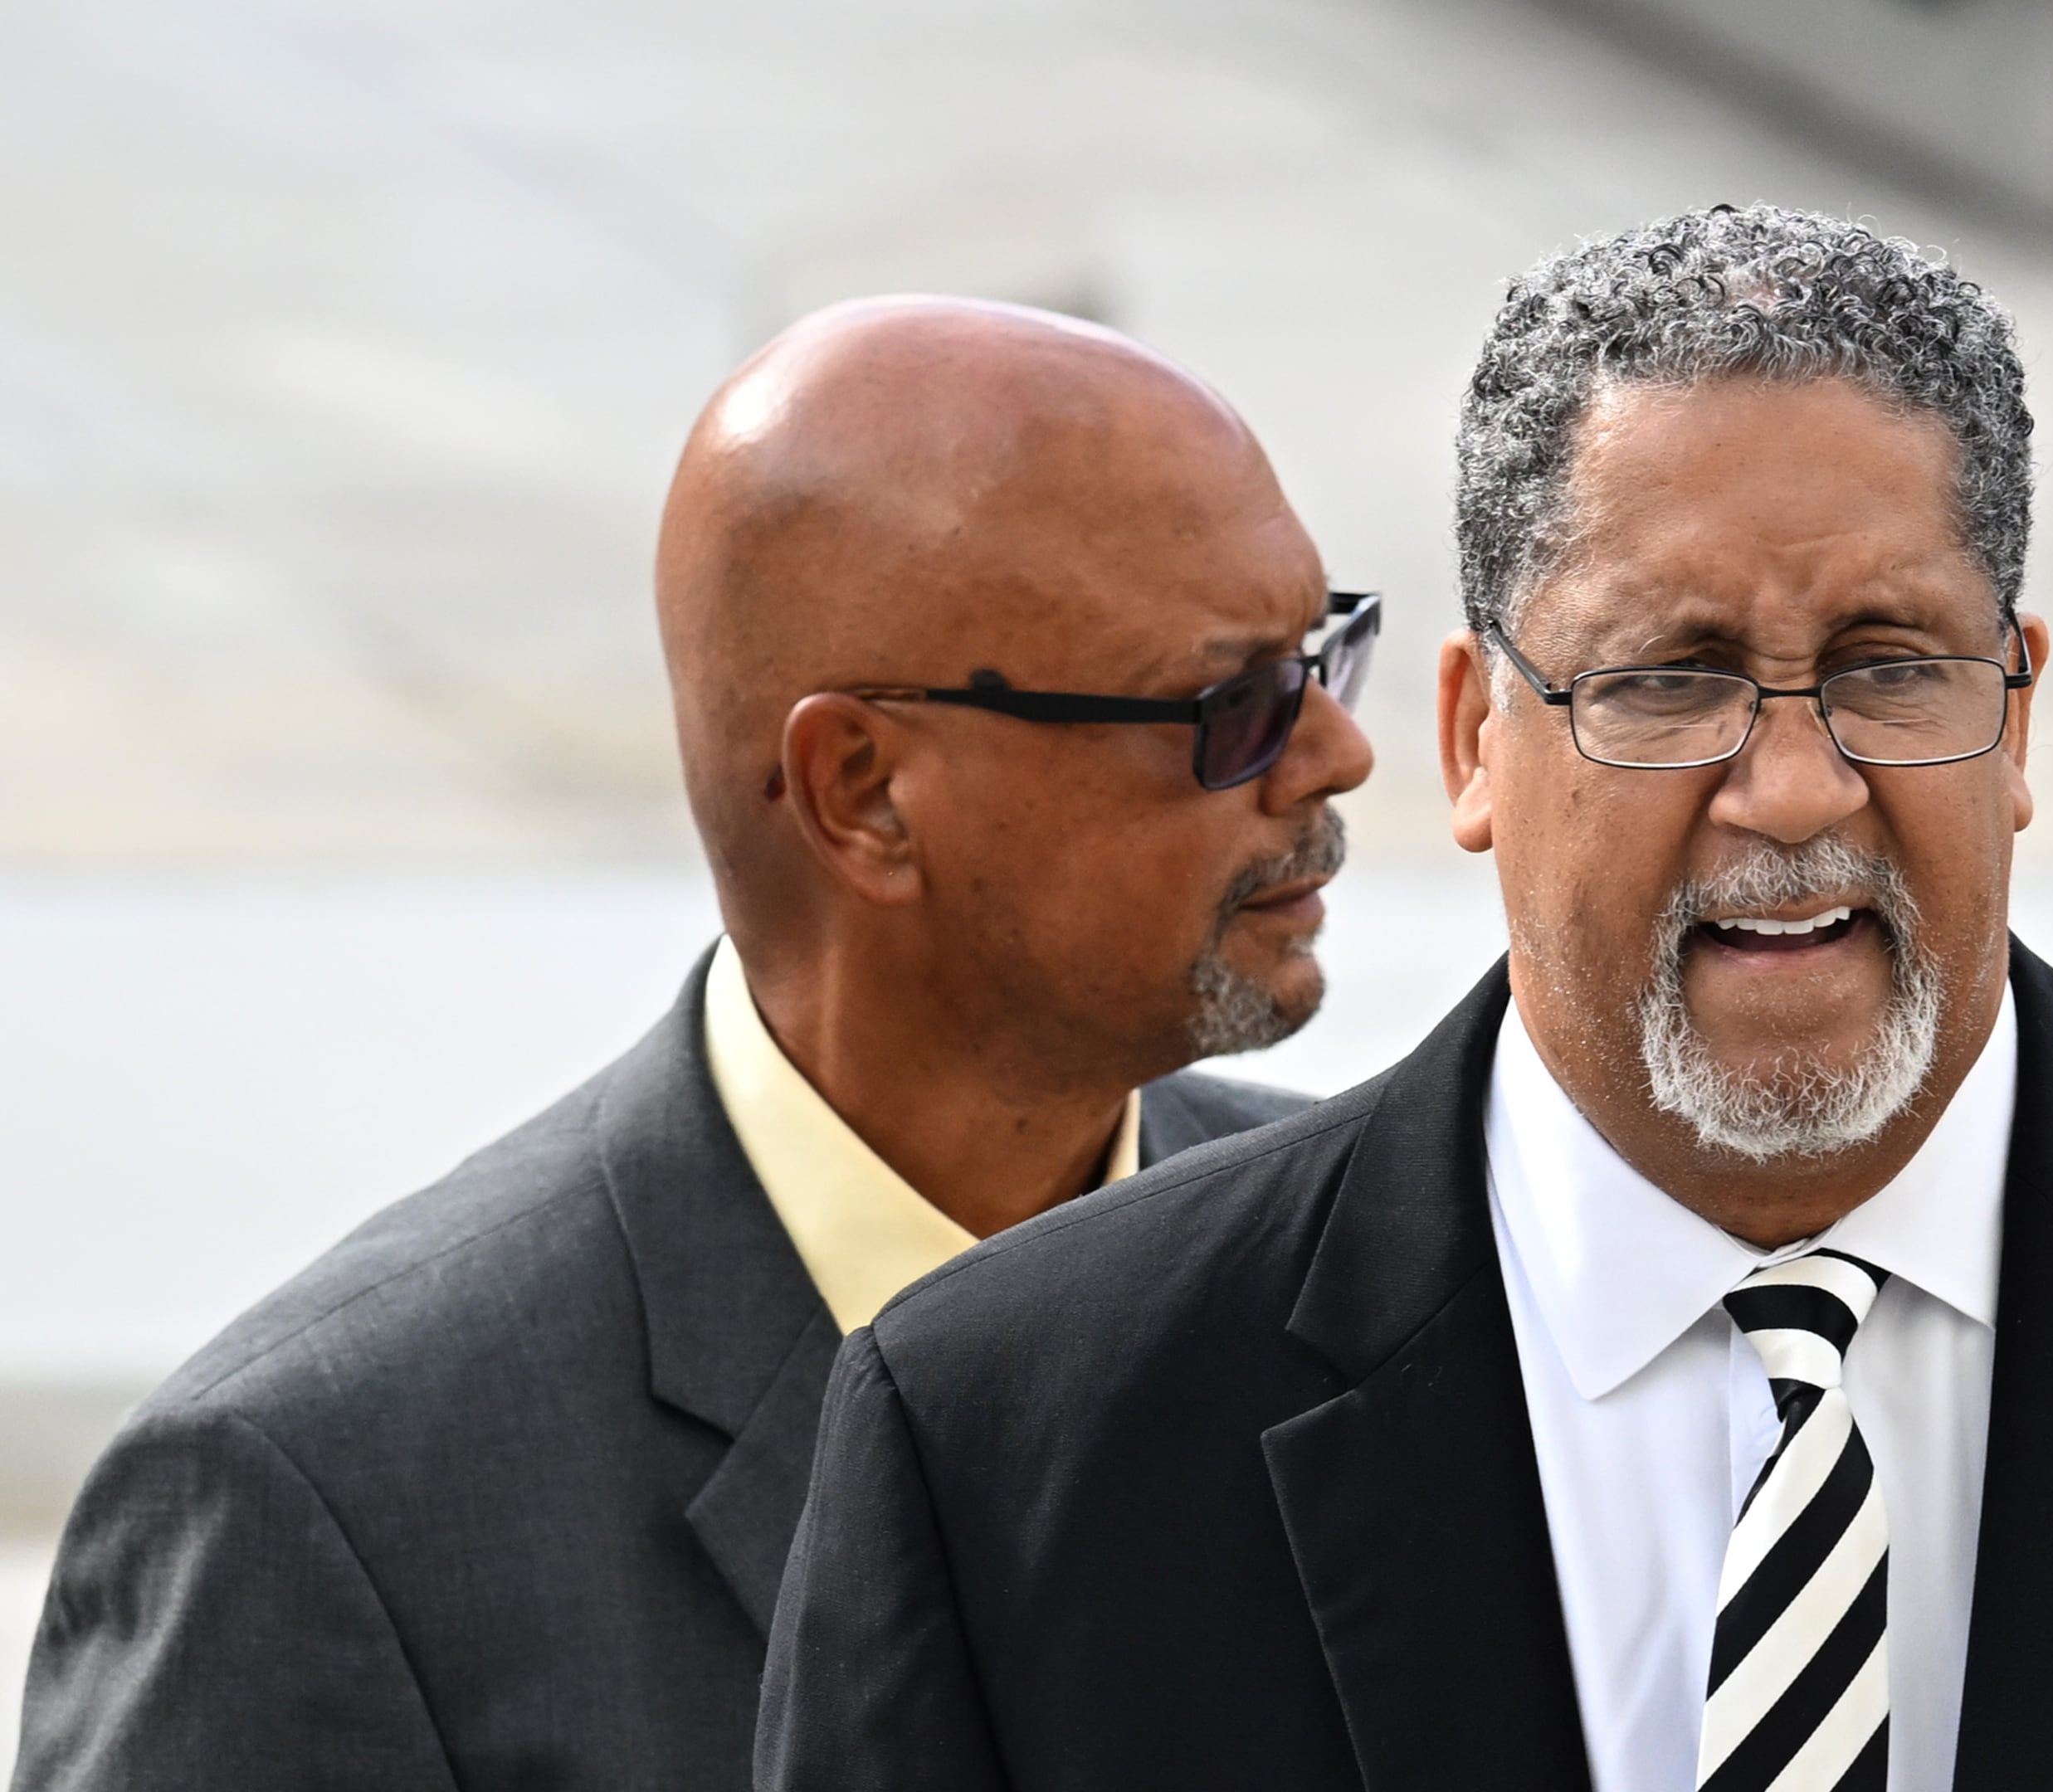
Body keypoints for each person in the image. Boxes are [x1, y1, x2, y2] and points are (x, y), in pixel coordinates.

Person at [753, 212, 2053, 1790]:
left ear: (2017, 715)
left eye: (1888, 666)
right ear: (1476, 741)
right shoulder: (1016, 1447)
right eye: (1669, 677)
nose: (1792, 789)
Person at [12, 298, 1375, 1790]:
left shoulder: (1395, 1272)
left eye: (1323, 654)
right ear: (863, 792)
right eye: (1233, 703)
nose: (1336, 752)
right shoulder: (321, 1512)